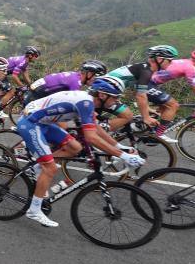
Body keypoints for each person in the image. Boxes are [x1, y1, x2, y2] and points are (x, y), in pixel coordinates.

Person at [17, 76, 145, 227]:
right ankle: (34, 210)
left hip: (44, 123)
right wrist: (123, 156)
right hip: (30, 123)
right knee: (50, 168)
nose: (116, 102)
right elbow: (91, 137)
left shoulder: (87, 102)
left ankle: (38, 167)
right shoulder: (85, 103)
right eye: (115, 98)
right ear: (103, 95)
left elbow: (96, 128)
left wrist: (119, 147)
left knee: (75, 148)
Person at [105, 45, 179, 140]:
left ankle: (102, 136)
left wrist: (146, 107)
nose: (171, 63)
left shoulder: (144, 68)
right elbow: (140, 95)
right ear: (160, 59)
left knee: (127, 117)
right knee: (127, 116)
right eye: (170, 60)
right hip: (103, 94)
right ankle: (98, 137)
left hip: (107, 94)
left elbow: (140, 91)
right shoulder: (146, 71)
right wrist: (146, 117)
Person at [25, 60, 106, 103]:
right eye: (95, 77)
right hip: (36, 94)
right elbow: (75, 103)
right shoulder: (75, 83)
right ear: (89, 74)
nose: (95, 80)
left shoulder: (75, 75)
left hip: (39, 89)